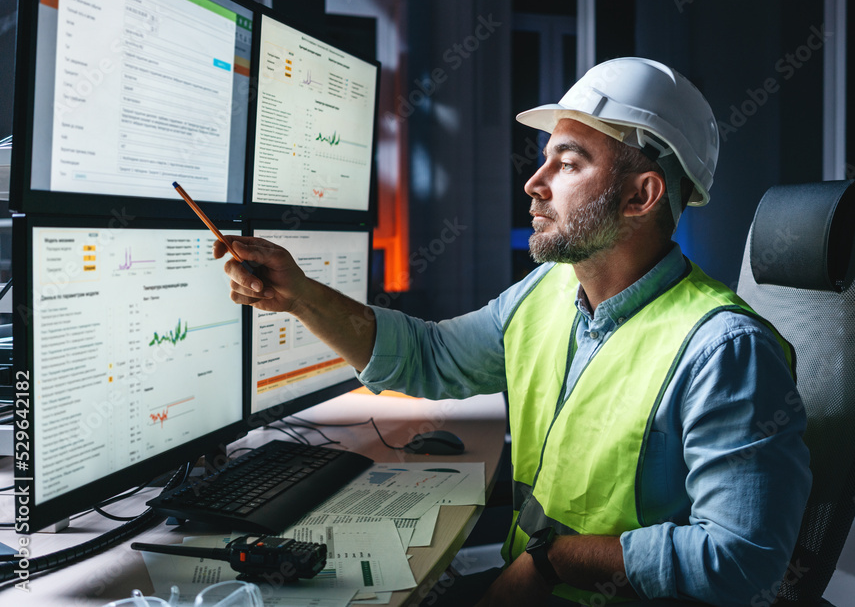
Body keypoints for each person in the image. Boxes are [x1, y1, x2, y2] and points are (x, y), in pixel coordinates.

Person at [215, 58, 811, 606]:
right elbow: (429, 356)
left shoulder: (724, 351)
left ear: (640, 195)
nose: (534, 181)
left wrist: (553, 562)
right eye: (545, 157)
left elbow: (743, 562)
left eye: (569, 163)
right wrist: (300, 295)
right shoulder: (547, 293)